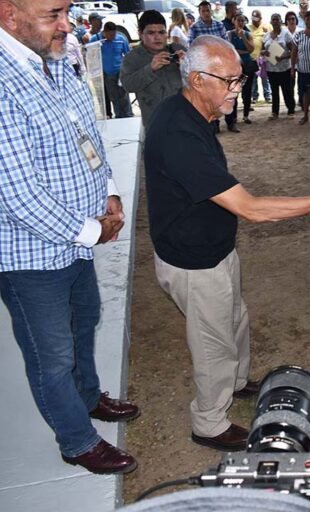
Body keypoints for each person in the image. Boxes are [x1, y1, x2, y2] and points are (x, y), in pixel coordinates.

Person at [144, 35, 310, 452]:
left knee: (234, 320)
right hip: (193, 261)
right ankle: (209, 423)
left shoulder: (192, 114)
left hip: (213, 249)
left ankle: (236, 382)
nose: (239, 88)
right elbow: (250, 208)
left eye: (240, 78)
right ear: (197, 80)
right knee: (213, 343)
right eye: (230, 81)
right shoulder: (178, 132)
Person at [0, 0, 139, 475]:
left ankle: (87, 398)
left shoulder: (55, 57)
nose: (67, 25)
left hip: (76, 240)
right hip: (31, 257)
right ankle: (77, 441)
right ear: (8, 14)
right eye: (53, 14)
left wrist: (110, 191)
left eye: (68, 11)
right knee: (51, 354)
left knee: (86, 320)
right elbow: (17, 195)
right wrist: (92, 230)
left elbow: (89, 135)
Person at [120, 10, 183, 130]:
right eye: (151, 33)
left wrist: (189, 66)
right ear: (140, 34)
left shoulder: (177, 50)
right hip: (156, 124)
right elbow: (128, 85)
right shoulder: (132, 58)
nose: (157, 37)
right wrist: (150, 69)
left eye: (161, 32)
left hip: (185, 119)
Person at [91, 22, 133, 118]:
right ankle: (118, 115)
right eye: (110, 35)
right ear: (104, 32)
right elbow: (90, 53)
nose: (112, 37)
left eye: (114, 34)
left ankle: (128, 115)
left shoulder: (121, 39)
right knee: (114, 97)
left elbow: (128, 55)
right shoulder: (96, 39)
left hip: (120, 72)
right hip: (107, 74)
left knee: (124, 96)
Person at [223, 14, 254, 132]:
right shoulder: (229, 34)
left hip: (246, 66)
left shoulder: (247, 34)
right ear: (233, 21)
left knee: (247, 92)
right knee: (234, 93)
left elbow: (251, 49)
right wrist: (243, 51)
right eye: (239, 20)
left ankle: (246, 115)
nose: (241, 22)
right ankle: (233, 119)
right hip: (234, 67)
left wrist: (244, 39)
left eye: (243, 20)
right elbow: (230, 49)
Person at [262, 13, 296, 121]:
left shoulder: (286, 34)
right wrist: (264, 52)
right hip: (271, 68)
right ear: (271, 22)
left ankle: (290, 110)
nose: (275, 21)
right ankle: (274, 112)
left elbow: (293, 51)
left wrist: (283, 57)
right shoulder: (266, 35)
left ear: (281, 21)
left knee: (287, 90)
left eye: (277, 19)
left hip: (284, 68)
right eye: (273, 19)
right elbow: (262, 50)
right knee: (274, 90)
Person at [247, 9, 271, 104]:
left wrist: (267, 33)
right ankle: (254, 96)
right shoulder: (248, 27)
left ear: (260, 18)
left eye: (256, 18)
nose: (254, 20)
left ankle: (268, 96)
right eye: (253, 18)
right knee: (253, 79)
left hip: (264, 57)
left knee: (265, 78)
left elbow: (272, 38)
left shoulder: (266, 26)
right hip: (252, 57)